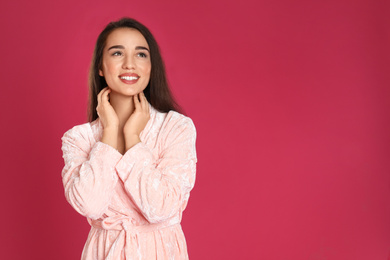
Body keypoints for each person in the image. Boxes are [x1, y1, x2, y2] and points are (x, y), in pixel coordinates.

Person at [61, 17, 197, 259]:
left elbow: (161, 207)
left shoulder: (176, 128)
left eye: (141, 54)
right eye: (117, 53)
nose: (129, 64)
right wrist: (110, 132)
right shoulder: (78, 138)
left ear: (151, 66)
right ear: (100, 67)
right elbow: (90, 205)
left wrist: (133, 137)